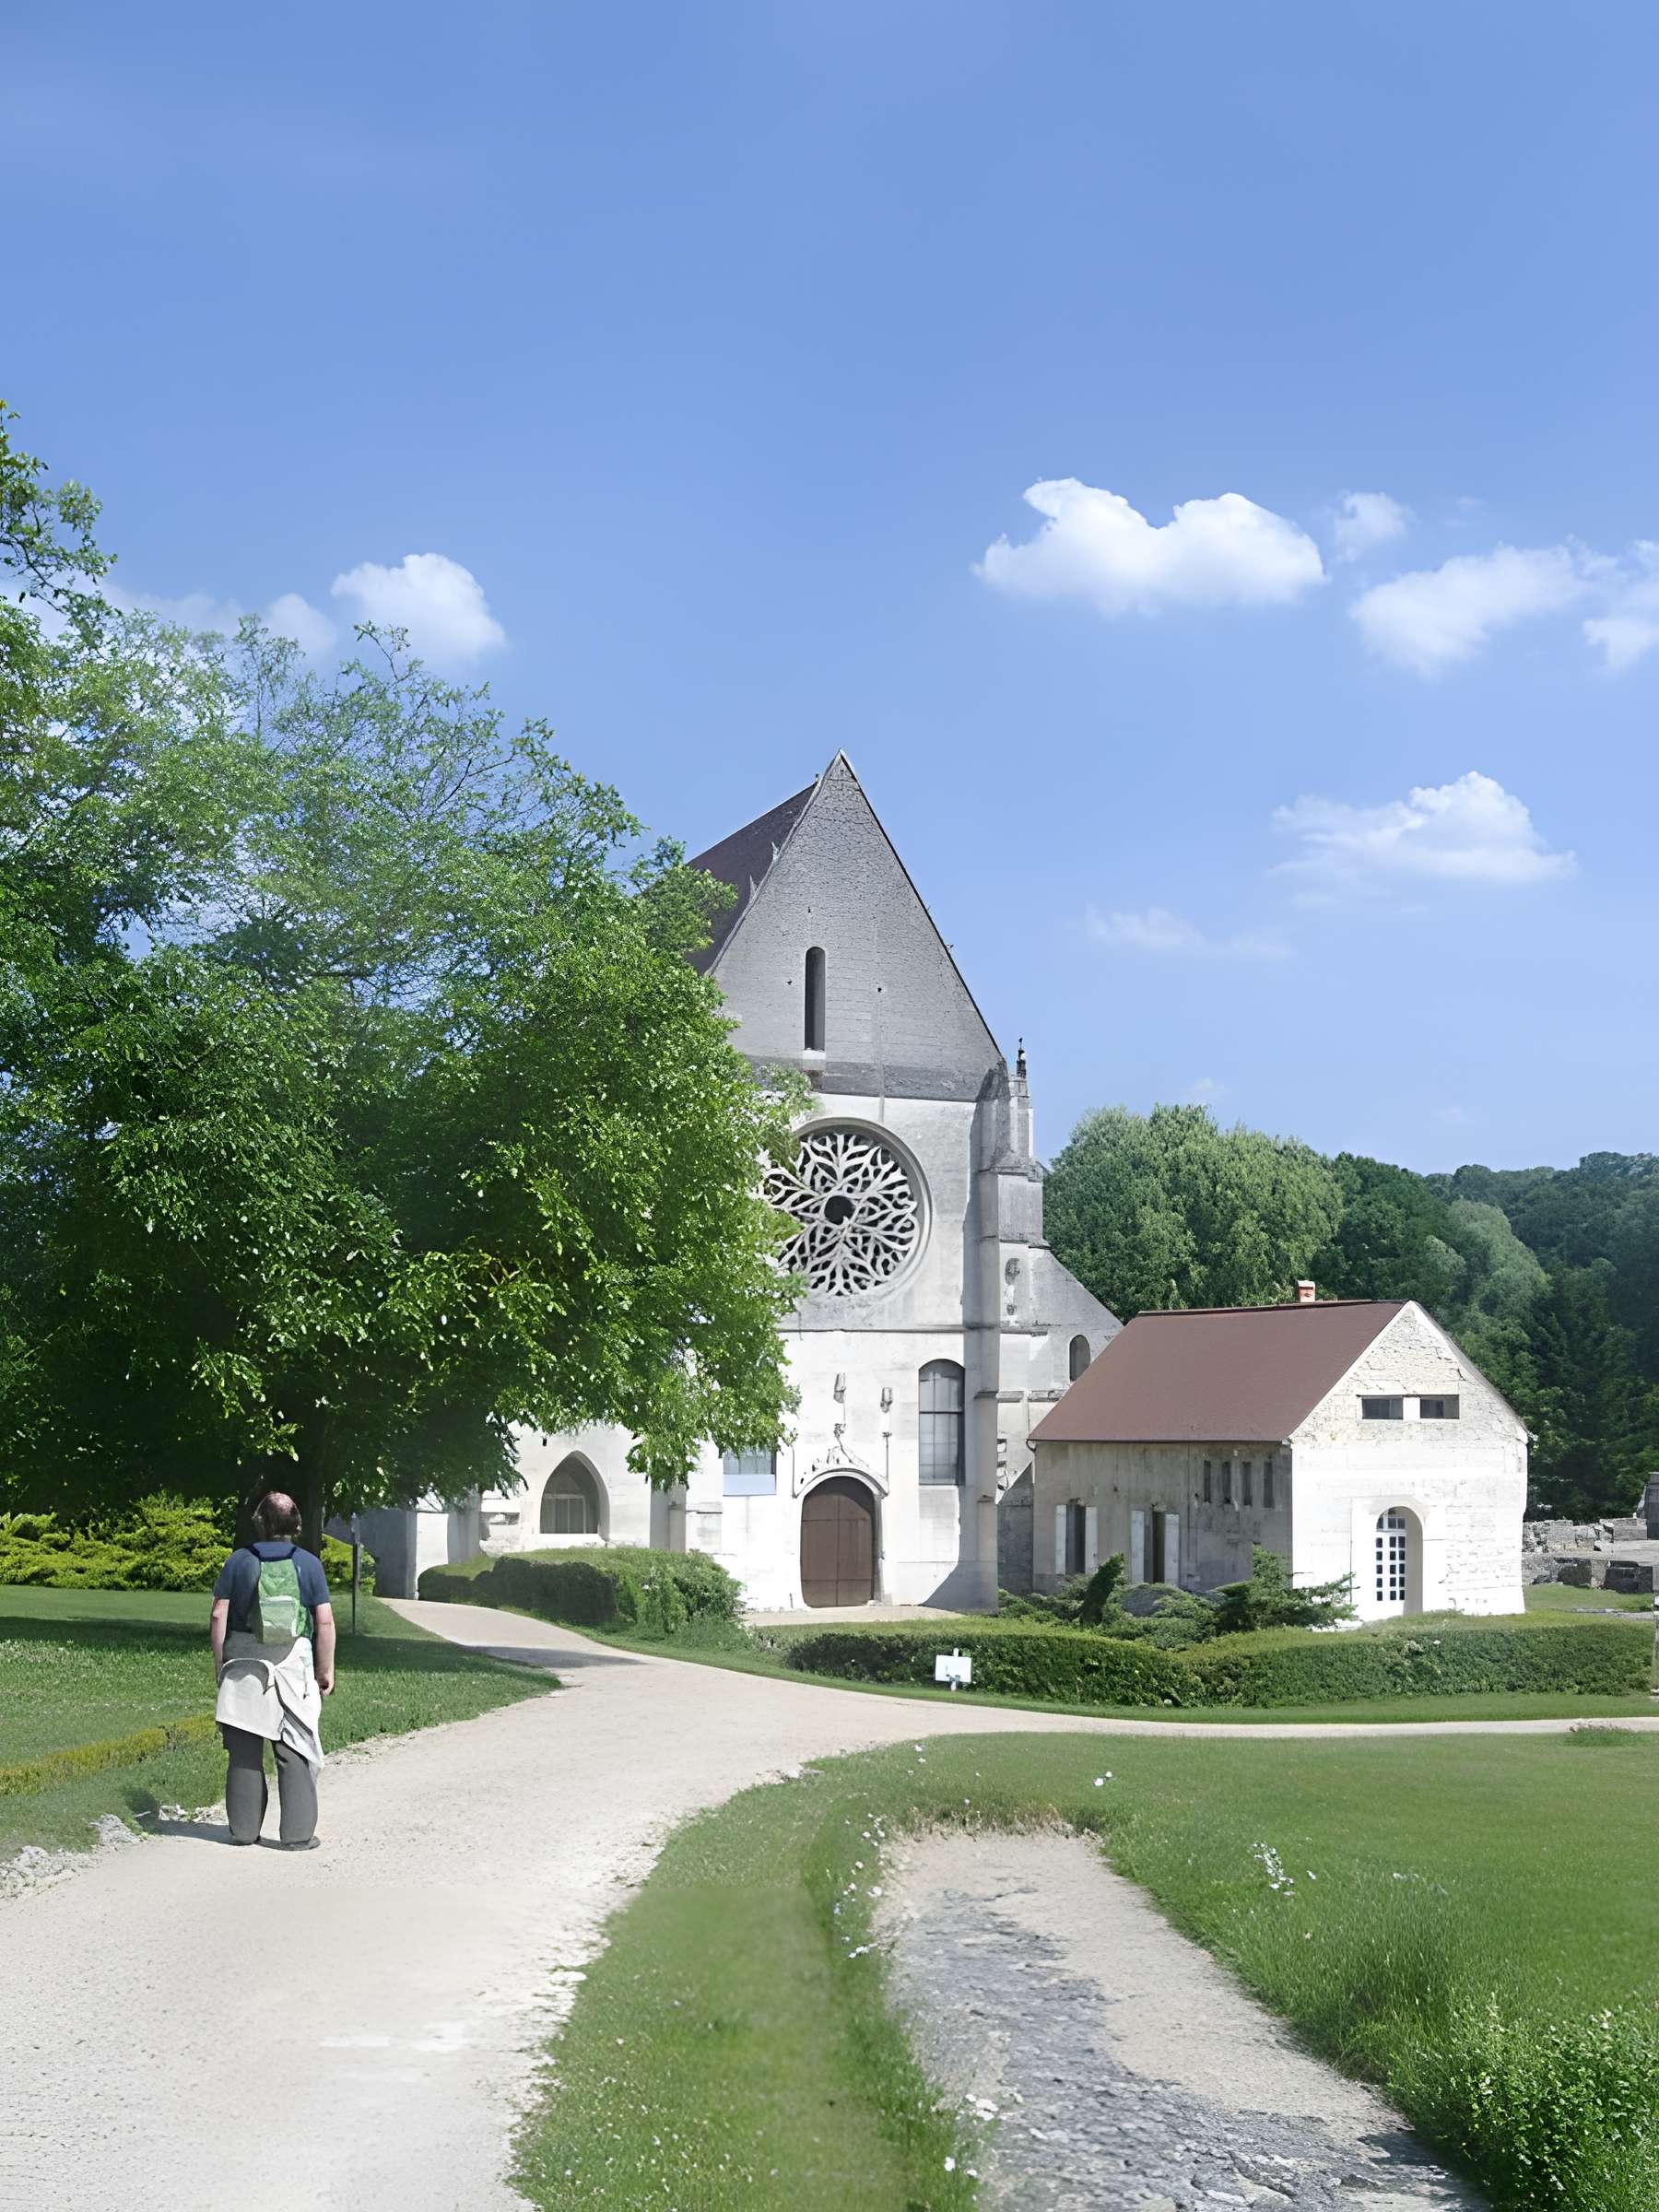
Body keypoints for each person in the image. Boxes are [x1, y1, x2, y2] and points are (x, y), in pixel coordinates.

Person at [208, 1492, 335, 1849]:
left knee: (244, 1750)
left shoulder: (239, 1561)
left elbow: (219, 1614)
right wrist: (325, 1670)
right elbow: (323, 1622)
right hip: (292, 1665)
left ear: (260, 1522)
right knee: (293, 1746)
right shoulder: (309, 1564)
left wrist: (221, 1664)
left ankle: (244, 1831)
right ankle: (297, 1835)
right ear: (296, 1523)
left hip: (243, 1662)